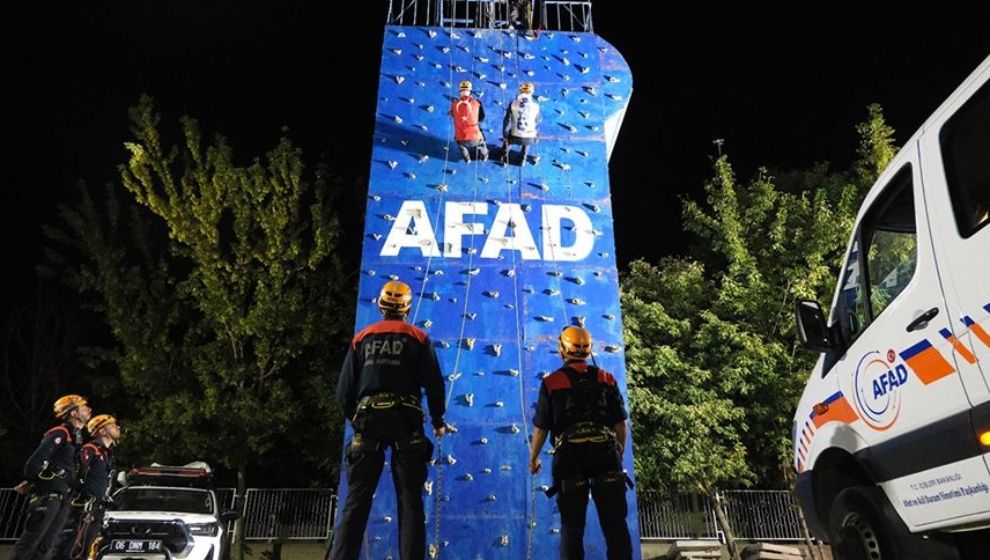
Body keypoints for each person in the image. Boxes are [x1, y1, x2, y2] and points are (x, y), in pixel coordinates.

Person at [331, 280, 446, 560]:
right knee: (410, 503)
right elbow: (434, 384)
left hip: (368, 421)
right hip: (407, 421)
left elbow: (343, 392)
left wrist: (356, 419)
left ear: (381, 305)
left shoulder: (362, 338)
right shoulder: (419, 338)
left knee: (356, 503)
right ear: (407, 308)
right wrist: (438, 419)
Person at [530, 327, 633, 560]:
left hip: (570, 459)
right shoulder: (606, 379)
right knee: (615, 526)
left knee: (572, 528)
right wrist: (618, 452)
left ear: (562, 348)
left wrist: (533, 458)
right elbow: (620, 425)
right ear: (588, 349)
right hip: (605, 454)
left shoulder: (552, 382)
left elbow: (541, 428)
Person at [11, 395, 92, 560]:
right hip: (49, 496)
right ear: (74, 413)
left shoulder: (75, 438)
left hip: (62, 498)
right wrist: (34, 480)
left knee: (45, 545)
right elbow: (35, 462)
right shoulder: (60, 432)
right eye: (84, 407)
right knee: (31, 542)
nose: (88, 409)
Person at [54, 414, 119, 560]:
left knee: (86, 548)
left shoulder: (108, 453)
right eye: (112, 425)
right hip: (83, 507)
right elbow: (76, 473)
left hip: (96, 507)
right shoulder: (91, 449)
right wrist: (82, 494)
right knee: (73, 547)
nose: (117, 427)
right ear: (102, 431)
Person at [500, 82, 541, 166]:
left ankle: (503, 155)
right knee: (527, 140)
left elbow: (507, 120)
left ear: (520, 92)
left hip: (514, 137)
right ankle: (522, 159)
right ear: (532, 92)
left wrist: (505, 133)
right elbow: (537, 121)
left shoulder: (513, 104)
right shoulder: (536, 106)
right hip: (529, 138)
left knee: (508, 139)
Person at [450, 80, 489, 163]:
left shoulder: (454, 104)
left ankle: (467, 159)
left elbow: (454, 116)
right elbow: (482, 117)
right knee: (482, 142)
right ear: (470, 92)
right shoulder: (477, 102)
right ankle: (484, 156)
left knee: (459, 143)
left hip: (461, 139)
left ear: (460, 92)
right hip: (476, 138)